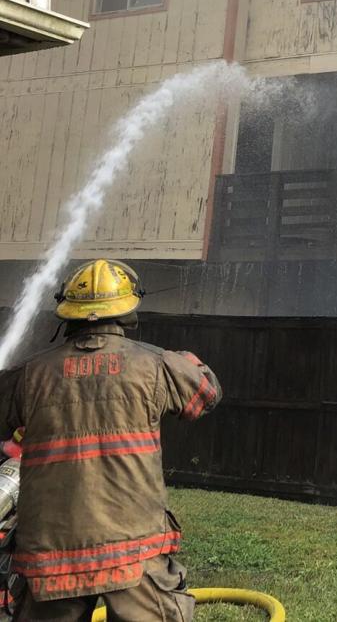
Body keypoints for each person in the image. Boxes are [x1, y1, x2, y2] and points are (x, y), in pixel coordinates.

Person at [0, 259, 221, 621]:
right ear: (126, 310)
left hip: (52, 555)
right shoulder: (158, 365)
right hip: (133, 548)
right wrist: (187, 361)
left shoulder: (27, 375)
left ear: (67, 311)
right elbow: (206, 396)